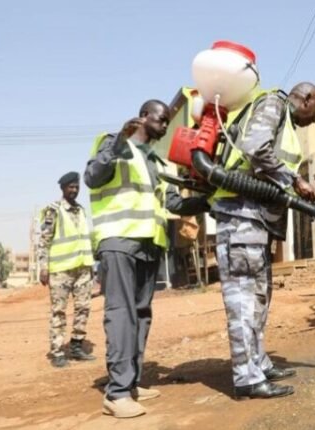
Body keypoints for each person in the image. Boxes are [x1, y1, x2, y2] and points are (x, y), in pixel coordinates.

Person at [84, 99, 209, 418]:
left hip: (150, 244)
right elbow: (93, 177)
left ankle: (131, 382)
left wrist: (208, 199)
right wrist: (120, 141)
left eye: (167, 120)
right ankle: (117, 393)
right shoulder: (114, 143)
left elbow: (173, 204)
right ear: (143, 117)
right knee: (121, 313)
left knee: (141, 315)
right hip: (119, 239)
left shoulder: (159, 162)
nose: (165, 125)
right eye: (161, 119)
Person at [211, 82, 315, 400]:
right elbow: (255, 149)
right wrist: (295, 179)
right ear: (305, 98)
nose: (313, 121)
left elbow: (271, 167)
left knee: (259, 299)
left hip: (255, 222)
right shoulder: (273, 105)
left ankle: (259, 364)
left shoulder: (284, 122)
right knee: (243, 300)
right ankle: (246, 378)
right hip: (240, 217)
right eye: (314, 114)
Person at [37, 171, 96, 368]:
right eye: (71, 187)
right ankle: (57, 351)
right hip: (61, 271)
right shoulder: (53, 210)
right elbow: (44, 240)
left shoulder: (81, 210)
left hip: (83, 268)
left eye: (77, 187)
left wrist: (91, 266)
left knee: (83, 308)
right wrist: (43, 267)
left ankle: (77, 346)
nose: (74, 190)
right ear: (63, 188)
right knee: (59, 311)